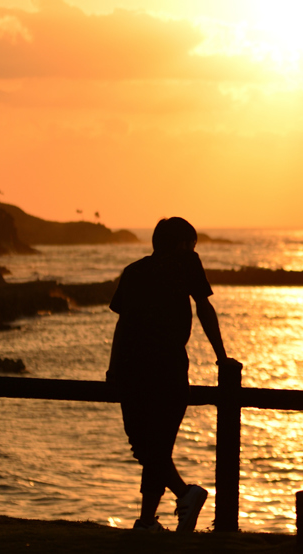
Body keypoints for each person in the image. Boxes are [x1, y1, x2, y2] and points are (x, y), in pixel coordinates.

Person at [106, 217, 236, 531]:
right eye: (192, 243)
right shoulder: (186, 263)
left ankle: (149, 519)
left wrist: (113, 366)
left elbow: (122, 325)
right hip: (168, 367)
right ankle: (184, 495)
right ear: (182, 244)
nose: (193, 249)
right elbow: (204, 308)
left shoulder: (134, 271)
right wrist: (222, 357)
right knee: (156, 447)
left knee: (148, 447)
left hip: (132, 369)